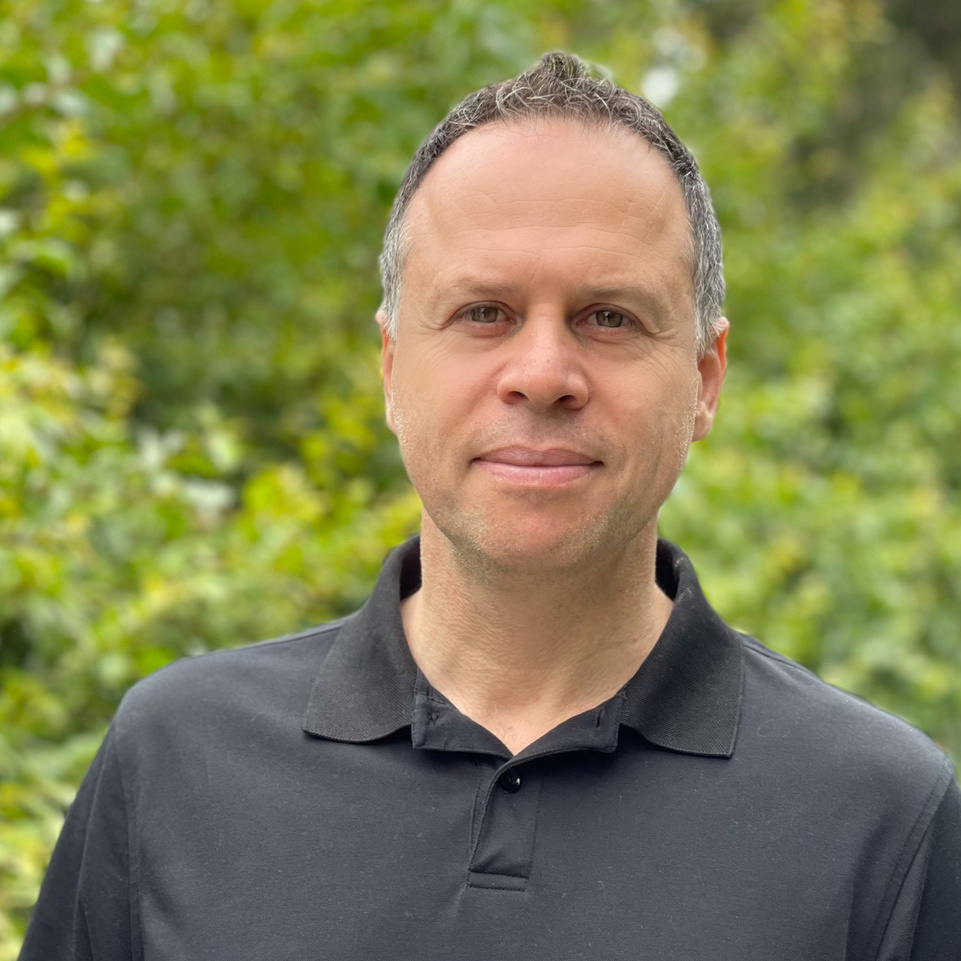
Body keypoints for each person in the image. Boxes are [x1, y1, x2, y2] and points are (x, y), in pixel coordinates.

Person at [20, 52, 961, 961]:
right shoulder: (177, 760)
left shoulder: (881, 816)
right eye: (483, 313)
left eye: (609, 317)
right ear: (392, 370)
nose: (543, 374)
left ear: (705, 378)